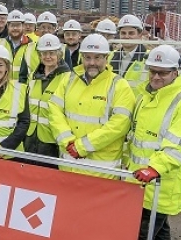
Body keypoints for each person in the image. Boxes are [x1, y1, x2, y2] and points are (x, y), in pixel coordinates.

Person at [126, 45, 181, 240]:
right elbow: (135, 137)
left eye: (163, 73)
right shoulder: (145, 97)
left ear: (175, 73)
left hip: (162, 183)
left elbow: (177, 146)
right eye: (153, 71)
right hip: (140, 181)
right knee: (158, 237)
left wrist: (154, 168)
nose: (156, 77)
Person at [47, 34, 136, 179]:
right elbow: (54, 110)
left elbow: (120, 124)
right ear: (82, 57)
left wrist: (82, 146)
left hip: (102, 172)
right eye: (87, 58)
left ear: (106, 58)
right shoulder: (68, 79)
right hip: (68, 165)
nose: (92, 62)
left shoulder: (119, 85)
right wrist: (67, 141)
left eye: (97, 57)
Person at [24, 34, 71, 167]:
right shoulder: (34, 76)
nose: (47, 57)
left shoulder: (67, 78)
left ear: (59, 55)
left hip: (52, 141)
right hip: (30, 137)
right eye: (44, 53)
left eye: (52, 53)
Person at [113, 14, 150, 94]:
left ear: (140, 35)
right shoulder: (111, 56)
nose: (126, 37)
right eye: (123, 33)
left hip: (137, 105)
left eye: (131, 33)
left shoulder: (148, 58)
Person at [0, 10, 34, 82]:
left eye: (18, 25)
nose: (15, 28)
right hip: (3, 87)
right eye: (12, 25)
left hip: (24, 88)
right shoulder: (0, 44)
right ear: (7, 26)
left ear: (23, 26)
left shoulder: (31, 45)